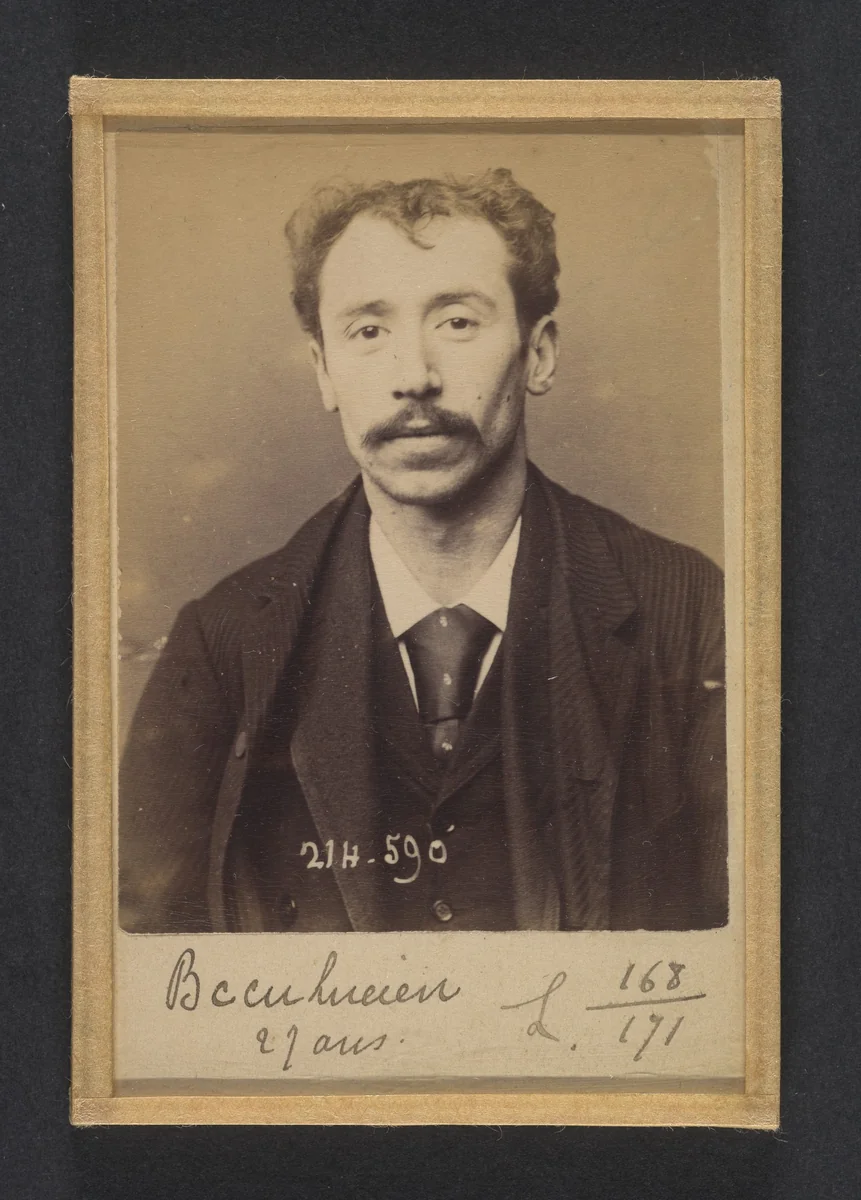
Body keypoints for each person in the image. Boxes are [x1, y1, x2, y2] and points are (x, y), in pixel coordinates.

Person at [119, 168, 728, 935]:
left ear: (538, 355)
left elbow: (746, 967)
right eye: (368, 331)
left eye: (458, 323)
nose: (414, 378)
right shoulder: (223, 641)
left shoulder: (691, 611)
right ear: (323, 372)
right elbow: (144, 986)